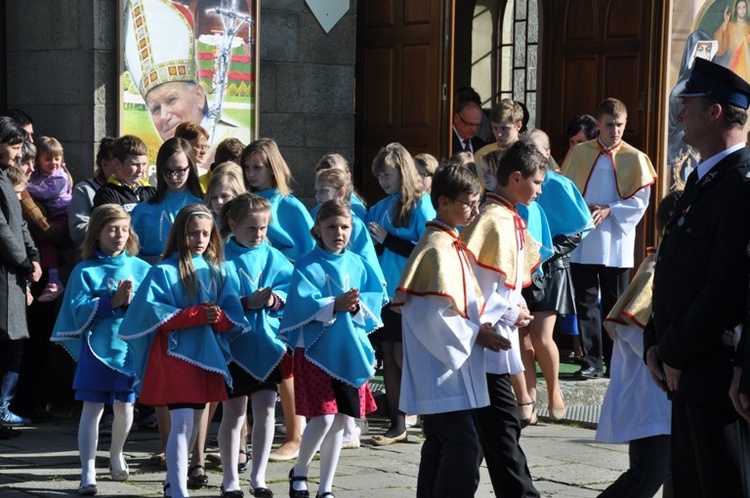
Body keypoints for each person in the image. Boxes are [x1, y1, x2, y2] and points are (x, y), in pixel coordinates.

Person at [643, 57, 750, 497]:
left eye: (689, 104)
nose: (680, 114)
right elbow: (673, 269)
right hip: (684, 370)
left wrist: (673, 349)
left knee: (723, 487)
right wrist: (654, 339)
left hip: (716, 374)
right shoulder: (704, 182)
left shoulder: (741, 185)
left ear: (716, 111)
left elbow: (728, 285)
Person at [119, 203, 245, 498]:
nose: (199, 239)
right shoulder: (162, 270)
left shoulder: (218, 270)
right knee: (182, 420)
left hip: (206, 358)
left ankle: (173, 483)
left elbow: (233, 317)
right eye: (192, 233)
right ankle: (178, 489)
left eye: (205, 233)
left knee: (192, 420)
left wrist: (220, 318)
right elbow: (152, 314)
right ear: (180, 234)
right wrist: (199, 315)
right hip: (173, 356)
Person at [393, 164, 491, 498]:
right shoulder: (435, 247)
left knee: (439, 444)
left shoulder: (449, 243)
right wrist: (476, 334)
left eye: (478, 202)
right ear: (444, 201)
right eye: (469, 203)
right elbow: (428, 314)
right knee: (464, 445)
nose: (475, 210)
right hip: (440, 366)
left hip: (450, 363)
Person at [280, 199, 387, 498]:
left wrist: (354, 308)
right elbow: (300, 303)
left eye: (344, 227)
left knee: (341, 420)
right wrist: (332, 305)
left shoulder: (358, 262)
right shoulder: (306, 263)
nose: (338, 232)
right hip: (315, 350)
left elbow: (373, 301)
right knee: (324, 417)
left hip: (349, 349)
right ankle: (300, 471)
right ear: (318, 229)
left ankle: (326, 487)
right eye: (331, 227)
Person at [50, 204, 151, 496]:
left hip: (127, 351)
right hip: (97, 349)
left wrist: (131, 303)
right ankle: (88, 470)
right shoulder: (85, 271)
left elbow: (151, 308)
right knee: (92, 409)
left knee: (126, 407)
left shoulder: (140, 267)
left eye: (123, 228)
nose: (119, 235)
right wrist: (110, 302)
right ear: (97, 232)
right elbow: (76, 310)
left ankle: (117, 452)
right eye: (111, 229)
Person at [461, 140, 542, 497]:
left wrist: (517, 307)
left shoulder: (509, 216)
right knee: (501, 427)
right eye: (537, 182)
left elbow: (508, 282)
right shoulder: (493, 220)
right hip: (485, 337)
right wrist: (510, 311)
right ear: (515, 177)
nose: (540, 190)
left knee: (490, 432)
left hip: (499, 334)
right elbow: (474, 286)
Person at [562, 97, 657, 379]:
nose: (615, 130)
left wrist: (610, 208)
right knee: (586, 300)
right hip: (586, 238)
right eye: (609, 125)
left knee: (616, 301)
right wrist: (582, 210)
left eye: (619, 125)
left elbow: (641, 200)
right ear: (598, 124)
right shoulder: (580, 153)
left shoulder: (636, 157)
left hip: (616, 240)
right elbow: (567, 190)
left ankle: (617, 360)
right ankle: (591, 360)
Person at [596, 192, 680, 498]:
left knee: (671, 473)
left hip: (662, 399)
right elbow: (632, 331)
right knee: (646, 476)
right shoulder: (654, 271)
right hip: (650, 397)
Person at [241, 138, 312, 461]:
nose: (251, 173)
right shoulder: (245, 203)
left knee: (286, 366)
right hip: (249, 295)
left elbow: (310, 252)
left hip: (281, 293)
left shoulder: (288, 205)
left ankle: (296, 434)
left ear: (273, 168)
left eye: (258, 167)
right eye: (247, 168)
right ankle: (245, 434)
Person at [219, 193, 294, 498]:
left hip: (268, 343)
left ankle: (259, 477)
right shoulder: (220, 257)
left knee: (265, 410)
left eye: (263, 228)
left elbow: (290, 287)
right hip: (236, 345)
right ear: (233, 224)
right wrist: (244, 303)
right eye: (251, 228)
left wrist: (276, 300)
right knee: (235, 412)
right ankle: (229, 478)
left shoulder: (272, 255)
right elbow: (214, 298)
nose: (258, 235)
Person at [521, 129, 595, 421]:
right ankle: (528, 399)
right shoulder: (516, 185)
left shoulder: (559, 184)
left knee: (541, 335)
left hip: (552, 269)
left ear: (548, 154)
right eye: (525, 148)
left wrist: (548, 252)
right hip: (524, 269)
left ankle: (554, 391)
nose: (531, 154)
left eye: (536, 150)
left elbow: (580, 229)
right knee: (522, 336)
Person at [367, 142, 436, 444]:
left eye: (388, 174)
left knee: (407, 356)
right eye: (379, 176)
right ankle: (397, 421)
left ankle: (426, 416)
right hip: (385, 291)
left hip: (412, 290)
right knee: (389, 354)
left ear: (403, 172)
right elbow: (372, 250)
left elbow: (430, 247)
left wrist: (389, 240)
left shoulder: (422, 204)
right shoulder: (379, 207)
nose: (383, 181)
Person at [123, 0, 250, 145]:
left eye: (171, 100)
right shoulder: (167, 161)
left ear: (199, 96)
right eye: (156, 109)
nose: (164, 116)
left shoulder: (239, 140)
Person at [0, 116, 42, 434]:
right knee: (6, 344)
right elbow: (1, 230)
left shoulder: (6, 176)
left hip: (13, 274)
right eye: (14, 146)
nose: (18, 153)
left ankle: (4, 406)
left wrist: (34, 256)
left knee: (13, 344)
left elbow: (21, 224)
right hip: (5, 274)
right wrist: (23, 262)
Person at [130, 137, 205, 264]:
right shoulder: (142, 211)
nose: (173, 176)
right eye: (167, 171)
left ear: (191, 167)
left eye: (180, 170)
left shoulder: (204, 206)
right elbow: (131, 258)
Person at [25, 136, 73, 302]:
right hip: (54, 215)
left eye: (57, 159)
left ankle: (54, 281)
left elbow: (45, 193)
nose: (53, 163)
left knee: (48, 242)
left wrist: (24, 186)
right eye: (48, 159)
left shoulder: (60, 177)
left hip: (63, 214)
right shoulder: (41, 175)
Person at [68, 137, 117, 249]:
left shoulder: (135, 189)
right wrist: (115, 229)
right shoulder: (84, 190)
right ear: (104, 164)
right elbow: (78, 232)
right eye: (117, 163)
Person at [92, 135, 155, 211]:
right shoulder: (107, 193)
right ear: (117, 163)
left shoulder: (151, 191)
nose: (140, 170)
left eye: (144, 164)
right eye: (135, 164)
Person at [475, 99, 525, 189]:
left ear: (518, 126)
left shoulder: (534, 151)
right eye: (495, 128)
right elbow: (475, 190)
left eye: (505, 128)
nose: (499, 134)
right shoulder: (481, 155)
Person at [314, 153, 367, 222]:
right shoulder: (318, 209)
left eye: (337, 175)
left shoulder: (356, 210)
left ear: (348, 177)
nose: (328, 178)